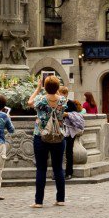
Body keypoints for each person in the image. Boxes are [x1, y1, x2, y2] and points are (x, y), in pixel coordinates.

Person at [28, 75, 67, 207]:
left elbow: (29, 102)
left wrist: (38, 88)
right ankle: (60, 199)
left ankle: (39, 201)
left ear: (45, 87)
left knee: (41, 169)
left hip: (41, 136)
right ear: (57, 87)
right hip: (58, 136)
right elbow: (57, 98)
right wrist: (54, 89)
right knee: (58, 168)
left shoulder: (40, 100)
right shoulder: (62, 100)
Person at [60, 86, 79, 180]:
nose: (62, 96)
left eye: (63, 94)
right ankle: (58, 172)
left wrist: (67, 114)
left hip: (69, 130)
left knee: (68, 152)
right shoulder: (56, 103)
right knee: (58, 152)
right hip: (59, 130)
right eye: (60, 93)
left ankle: (69, 172)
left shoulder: (70, 103)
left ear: (66, 94)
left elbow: (76, 116)